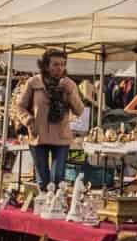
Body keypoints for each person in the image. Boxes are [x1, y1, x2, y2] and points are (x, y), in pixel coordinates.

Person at [13, 48, 84, 188]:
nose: (60, 68)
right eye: (56, 64)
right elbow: (20, 106)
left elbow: (79, 110)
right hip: (38, 135)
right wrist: (28, 120)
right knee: (43, 180)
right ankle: (43, 206)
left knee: (58, 178)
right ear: (46, 65)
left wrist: (70, 92)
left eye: (63, 64)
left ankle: (57, 207)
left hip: (61, 136)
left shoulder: (69, 84)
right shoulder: (33, 83)